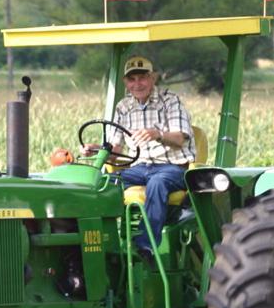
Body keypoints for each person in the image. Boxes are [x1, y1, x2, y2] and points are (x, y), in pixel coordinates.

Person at [83, 55, 195, 255]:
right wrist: (96, 150)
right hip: (140, 168)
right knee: (104, 183)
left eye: (142, 77)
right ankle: (102, 243)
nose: (137, 84)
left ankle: (145, 246)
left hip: (173, 167)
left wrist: (157, 134)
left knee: (157, 183)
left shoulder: (170, 101)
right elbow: (115, 151)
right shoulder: (123, 107)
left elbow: (179, 139)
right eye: (132, 79)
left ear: (153, 78)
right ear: (125, 82)